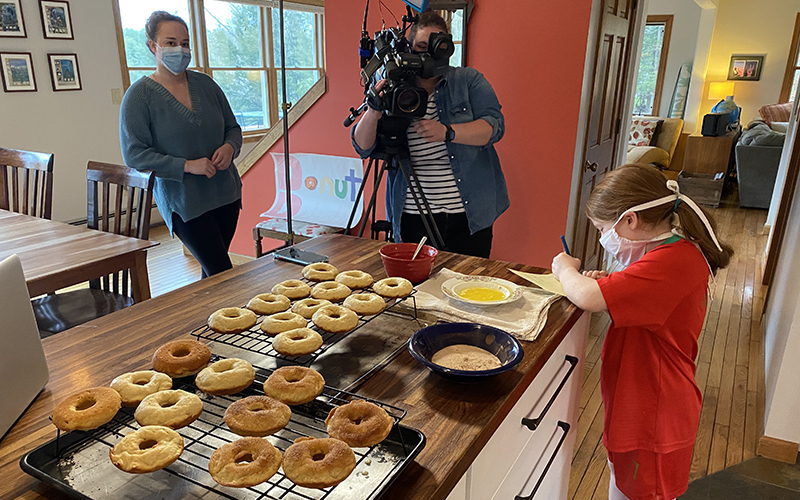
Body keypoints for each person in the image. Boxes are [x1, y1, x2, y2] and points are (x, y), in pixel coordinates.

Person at [551, 164, 733, 500]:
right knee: (624, 485)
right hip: (643, 401)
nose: (605, 238)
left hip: (654, 413)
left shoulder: (672, 263)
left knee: (638, 492)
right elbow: (640, 290)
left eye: (604, 229)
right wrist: (610, 279)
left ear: (630, 220)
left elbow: (588, 298)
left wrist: (565, 269)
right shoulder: (674, 250)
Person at [352, 10, 507, 258]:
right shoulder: (392, 83)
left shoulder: (468, 81)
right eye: (422, 46)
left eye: (437, 46)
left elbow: (494, 127)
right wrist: (373, 109)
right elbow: (362, 146)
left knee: (468, 284)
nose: (428, 54)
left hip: (469, 214)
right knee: (417, 286)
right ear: (410, 47)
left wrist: (447, 132)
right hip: (412, 214)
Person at [120, 11, 243, 279]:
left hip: (226, 194)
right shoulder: (139, 97)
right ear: (153, 46)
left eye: (185, 43)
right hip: (185, 202)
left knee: (212, 274)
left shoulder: (207, 85)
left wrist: (229, 148)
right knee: (222, 273)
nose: (180, 49)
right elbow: (134, 155)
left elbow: (233, 129)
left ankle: (210, 319)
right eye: (171, 42)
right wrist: (187, 166)